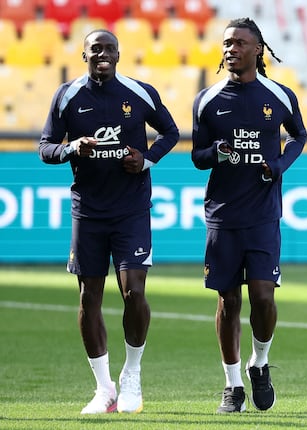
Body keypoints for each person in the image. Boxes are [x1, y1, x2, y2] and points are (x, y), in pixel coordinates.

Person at [39, 29, 179, 414]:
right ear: (84, 54)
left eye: (109, 49)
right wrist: (71, 147)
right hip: (88, 211)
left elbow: (171, 132)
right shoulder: (67, 96)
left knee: (133, 291)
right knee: (89, 297)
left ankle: (132, 374)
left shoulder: (140, 92)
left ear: (119, 54)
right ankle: (104, 389)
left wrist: (147, 159)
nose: (103, 54)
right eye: (95, 49)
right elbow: (45, 147)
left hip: (132, 209)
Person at [191, 18, 307, 413]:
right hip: (222, 215)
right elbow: (197, 157)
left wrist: (278, 164)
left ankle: (260, 362)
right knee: (228, 300)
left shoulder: (279, 94)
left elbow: (299, 136)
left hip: (262, 213)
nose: (230, 49)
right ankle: (232, 384)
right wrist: (216, 153)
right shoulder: (207, 99)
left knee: (262, 295)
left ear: (258, 49)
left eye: (239, 43)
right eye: (226, 43)